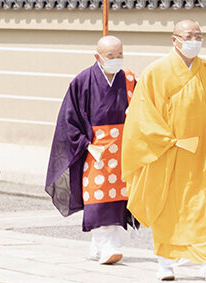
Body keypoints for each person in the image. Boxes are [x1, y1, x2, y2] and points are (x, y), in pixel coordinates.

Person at [122, 20, 206, 282]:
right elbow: (142, 115)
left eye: (199, 35)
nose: (195, 40)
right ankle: (165, 262)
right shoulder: (156, 72)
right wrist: (168, 141)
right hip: (169, 151)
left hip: (204, 152)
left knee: (205, 204)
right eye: (189, 35)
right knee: (168, 206)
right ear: (175, 39)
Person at [45, 34, 138, 264]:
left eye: (120, 55)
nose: (116, 59)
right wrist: (86, 144)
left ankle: (102, 244)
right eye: (110, 55)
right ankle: (107, 246)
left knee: (119, 197)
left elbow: (142, 111)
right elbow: (69, 119)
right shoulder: (83, 81)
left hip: (123, 149)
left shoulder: (129, 80)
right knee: (98, 197)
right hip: (96, 149)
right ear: (97, 56)